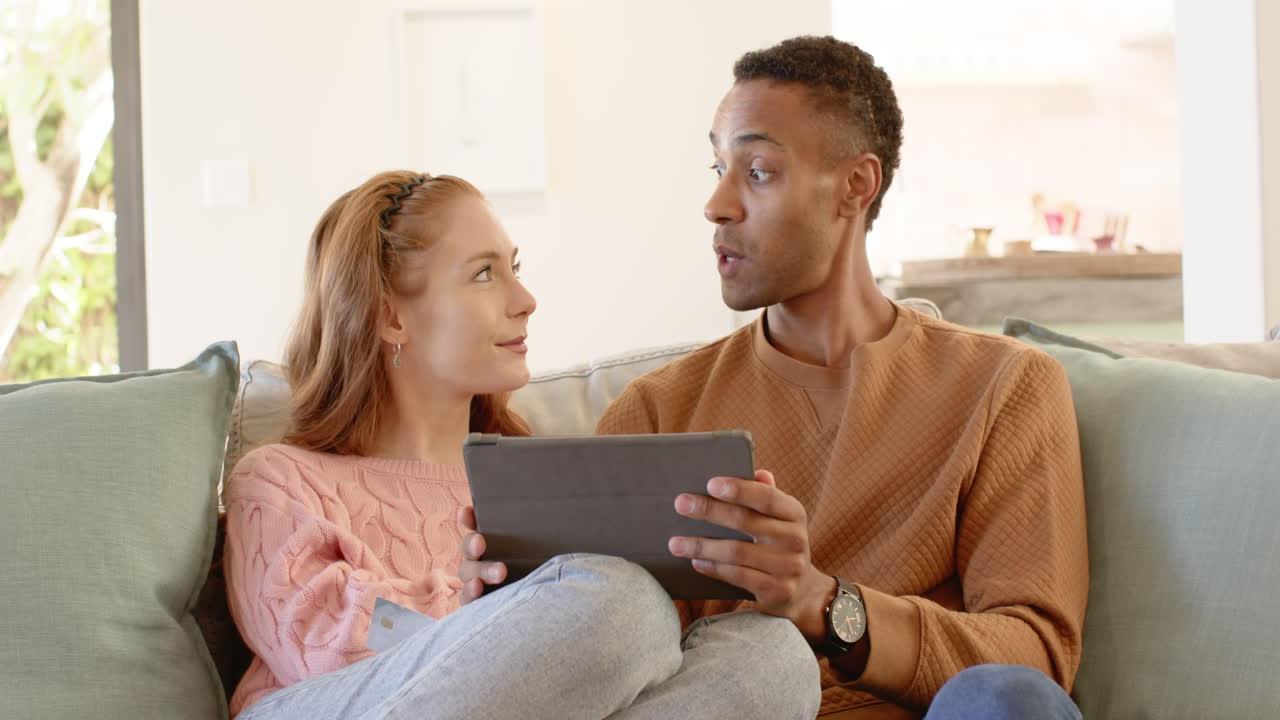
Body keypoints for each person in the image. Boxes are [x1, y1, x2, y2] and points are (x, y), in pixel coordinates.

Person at [460, 36, 1090, 720]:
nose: (717, 204)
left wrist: (823, 603)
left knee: (1004, 697)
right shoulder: (655, 411)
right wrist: (507, 614)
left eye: (757, 171)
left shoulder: (1005, 387)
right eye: (718, 167)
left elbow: (1034, 661)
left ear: (856, 186)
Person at [223, 171, 821, 720]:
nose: (525, 299)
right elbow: (327, 643)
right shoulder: (278, 480)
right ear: (392, 317)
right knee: (623, 607)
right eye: (484, 274)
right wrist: (491, 613)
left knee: (772, 656)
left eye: (514, 267)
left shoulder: (538, 485)